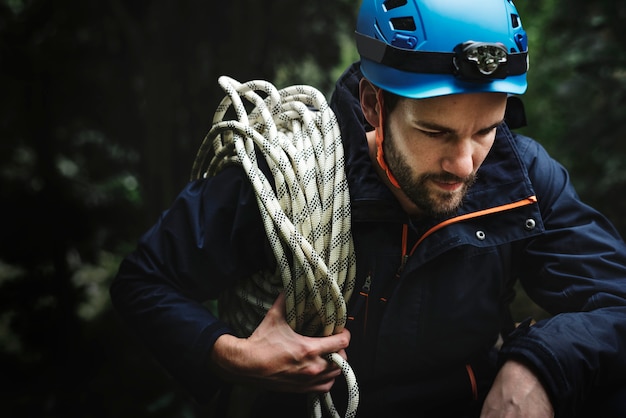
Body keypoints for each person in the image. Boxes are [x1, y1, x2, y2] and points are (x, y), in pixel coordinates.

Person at [110, 0, 626, 417]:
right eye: (435, 131)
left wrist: (537, 367)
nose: (466, 163)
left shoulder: (521, 179)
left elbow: (615, 299)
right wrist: (232, 357)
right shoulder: (290, 173)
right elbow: (144, 281)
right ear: (373, 104)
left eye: (486, 130)